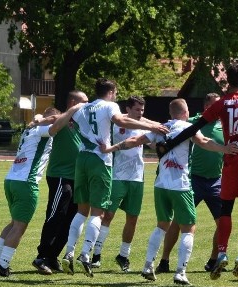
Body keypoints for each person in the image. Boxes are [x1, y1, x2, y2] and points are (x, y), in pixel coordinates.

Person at [156, 62, 238, 280]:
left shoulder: (221, 104)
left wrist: (169, 145)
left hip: (230, 158)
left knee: (226, 211)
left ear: (227, 80)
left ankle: (221, 253)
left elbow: (194, 128)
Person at [103, 98, 238, 284]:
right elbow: (204, 142)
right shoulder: (188, 127)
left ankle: (148, 266)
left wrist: (111, 148)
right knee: (189, 227)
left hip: (160, 184)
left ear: (171, 113)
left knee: (162, 225)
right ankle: (180, 272)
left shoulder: (161, 128)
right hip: (180, 184)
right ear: (186, 112)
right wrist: (225, 149)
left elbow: (135, 140)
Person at [61, 78, 168, 277]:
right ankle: (86, 254)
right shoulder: (110, 106)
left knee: (81, 211)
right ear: (111, 92)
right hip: (100, 161)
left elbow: (68, 123)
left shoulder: (83, 108)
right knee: (98, 213)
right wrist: (153, 127)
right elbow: (120, 120)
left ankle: (69, 252)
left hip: (82, 158)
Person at [0, 106, 81, 276]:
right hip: (26, 182)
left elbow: (45, 118)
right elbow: (54, 125)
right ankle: (3, 264)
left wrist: (41, 117)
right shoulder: (42, 129)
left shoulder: (29, 129)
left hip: (11, 179)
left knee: (13, 223)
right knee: (20, 227)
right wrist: (73, 110)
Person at [156, 93, 224, 274]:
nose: (219, 109)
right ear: (206, 106)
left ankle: (213, 260)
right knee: (179, 222)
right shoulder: (192, 122)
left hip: (216, 180)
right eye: (215, 106)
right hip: (192, 179)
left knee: (223, 223)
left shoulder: (224, 125)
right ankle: (164, 260)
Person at [90, 96, 151, 272]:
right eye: (137, 110)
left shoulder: (144, 124)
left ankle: (123, 255)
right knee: (107, 215)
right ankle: (96, 254)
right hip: (116, 176)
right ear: (128, 109)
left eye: (142, 110)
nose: (140, 114)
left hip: (137, 178)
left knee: (132, 218)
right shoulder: (116, 122)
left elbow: (154, 139)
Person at [31, 90, 88, 275]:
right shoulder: (63, 118)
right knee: (56, 215)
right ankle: (42, 257)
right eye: (83, 102)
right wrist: (70, 112)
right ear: (72, 102)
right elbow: (51, 124)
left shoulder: (84, 122)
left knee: (70, 220)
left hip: (77, 177)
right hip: (60, 175)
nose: (86, 105)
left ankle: (53, 256)